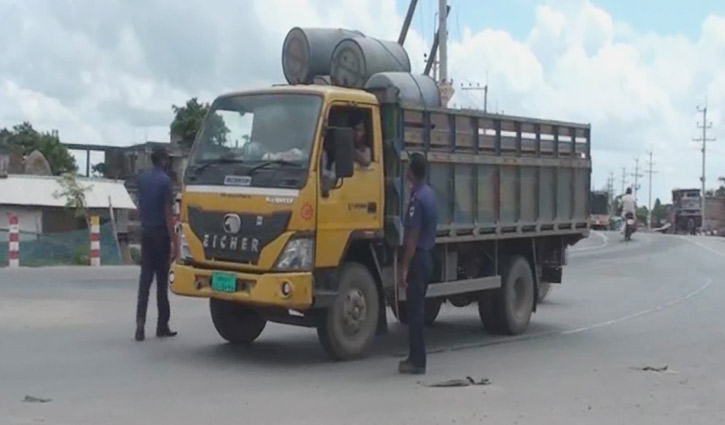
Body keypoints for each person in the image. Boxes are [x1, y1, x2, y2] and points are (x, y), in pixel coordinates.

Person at [135, 147, 179, 341]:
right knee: (162, 283)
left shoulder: (142, 179)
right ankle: (162, 325)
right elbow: (168, 214)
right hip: (161, 235)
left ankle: (140, 325)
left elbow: (140, 207)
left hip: (146, 233)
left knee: (145, 282)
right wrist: (174, 242)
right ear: (163, 161)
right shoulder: (165, 181)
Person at [399, 153, 437, 375]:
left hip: (419, 258)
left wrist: (404, 267)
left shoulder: (417, 200)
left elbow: (412, 238)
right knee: (417, 310)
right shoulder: (429, 194)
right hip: (428, 254)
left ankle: (417, 361)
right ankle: (415, 358)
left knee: (415, 313)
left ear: (411, 172)